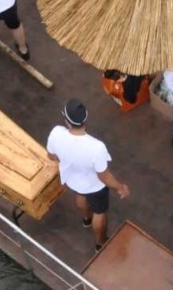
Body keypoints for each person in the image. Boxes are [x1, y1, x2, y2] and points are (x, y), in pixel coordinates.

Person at [45, 99, 130, 252]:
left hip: (73, 181)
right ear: (85, 119)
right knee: (100, 212)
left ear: (67, 121)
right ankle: (100, 243)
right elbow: (104, 176)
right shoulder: (96, 147)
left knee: (81, 195)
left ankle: (86, 220)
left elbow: (51, 156)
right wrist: (120, 187)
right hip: (95, 187)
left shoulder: (56, 133)